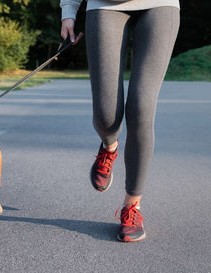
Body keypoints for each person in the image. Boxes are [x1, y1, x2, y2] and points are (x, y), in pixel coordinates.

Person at [60, 0, 180, 242]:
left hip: (160, 5)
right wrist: (68, 11)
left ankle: (131, 207)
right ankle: (109, 146)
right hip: (104, 5)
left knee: (141, 107)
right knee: (107, 117)